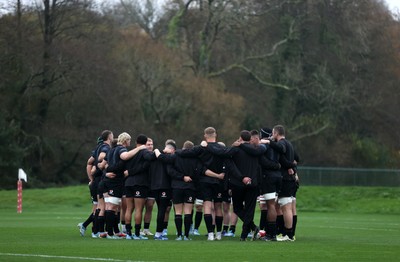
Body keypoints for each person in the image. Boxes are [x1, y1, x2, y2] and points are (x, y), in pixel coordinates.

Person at [205, 130, 265, 241]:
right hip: (253, 184)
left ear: (240, 138)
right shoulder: (257, 150)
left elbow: (221, 153)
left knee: (237, 208)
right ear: (250, 139)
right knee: (249, 209)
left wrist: (207, 146)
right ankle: (245, 234)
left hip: (237, 184)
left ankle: (252, 229)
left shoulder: (236, 150)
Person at [101, 132, 144, 239]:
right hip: (115, 181)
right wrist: (139, 149)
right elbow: (125, 157)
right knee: (112, 207)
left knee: (112, 207)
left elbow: (103, 164)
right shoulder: (121, 149)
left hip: (109, 180)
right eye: (129, 140)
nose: (130, 142)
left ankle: (112, 231)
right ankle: (110, 233)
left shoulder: (111, 150)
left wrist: (106, 172)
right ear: (125, 141)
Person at [261, 125, 297, 241]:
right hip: (289, 178)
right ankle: (285, 233)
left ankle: (288, 234)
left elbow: (282, 152)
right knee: (285, 207)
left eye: (272, 134)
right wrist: (292, 166)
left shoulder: (282, 144)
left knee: (286, 208)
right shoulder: (289, 143)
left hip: (285, 179)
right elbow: (296, 158)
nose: (271, 136)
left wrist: (268, 142)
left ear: (276, 133)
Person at [80, 130, 113, 238]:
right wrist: (105, 164)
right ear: (108, 137)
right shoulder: (105, 148)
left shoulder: (97, 149)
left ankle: (91, 228)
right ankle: (96, 231)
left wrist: (91, 178)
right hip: (100, 181)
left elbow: (89, 162)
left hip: (96, 181)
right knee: (101, 207)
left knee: (97, 206)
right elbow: (100, 158)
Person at [167, 140, 201, 240]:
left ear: (183, 147)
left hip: (177, 187)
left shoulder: (174, 156)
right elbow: (198, 172)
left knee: (178, 211)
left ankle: (179, 235)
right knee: (188, 212)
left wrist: (181, 177)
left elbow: (170, 171)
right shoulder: (195, 158)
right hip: (190, 187)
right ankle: (186, 235)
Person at [123, 134, 151, 240]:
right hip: (140, 183)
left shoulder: (130, 153)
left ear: (136, 142)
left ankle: (129, 233)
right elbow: (145, 166)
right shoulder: (145, 153)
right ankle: (137, 234)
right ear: (145, 143)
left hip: (128, 183)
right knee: (139, 209)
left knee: (129, 209)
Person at [141, 138, 156, 236]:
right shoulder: (141, 155)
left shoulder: (156, 156)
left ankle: (146, 229)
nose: (150, 146)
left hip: (152, 186)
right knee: (139, 208)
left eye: (151, 144)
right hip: (141, 184)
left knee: (149, 207)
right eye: (148, 144)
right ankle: (136, 229)